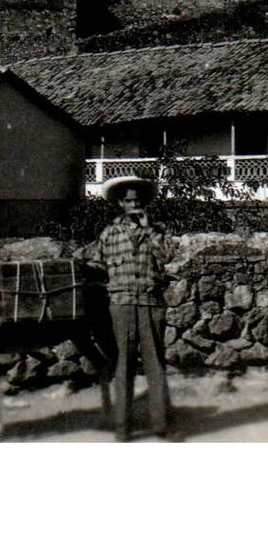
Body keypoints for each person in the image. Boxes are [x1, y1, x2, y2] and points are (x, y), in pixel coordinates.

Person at [79, 175, 179, 442]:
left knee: (155, 365)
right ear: (120, 204)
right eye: (128, 201)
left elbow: (168, 257)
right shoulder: (109, 234)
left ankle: (160, 425)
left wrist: (148, 229)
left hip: (151, 305)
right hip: (121, 306)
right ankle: (122, 428)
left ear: (144, 203)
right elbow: (98, 265)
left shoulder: (157, 231)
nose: (134, 205)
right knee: (122, 366)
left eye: (138, 200)